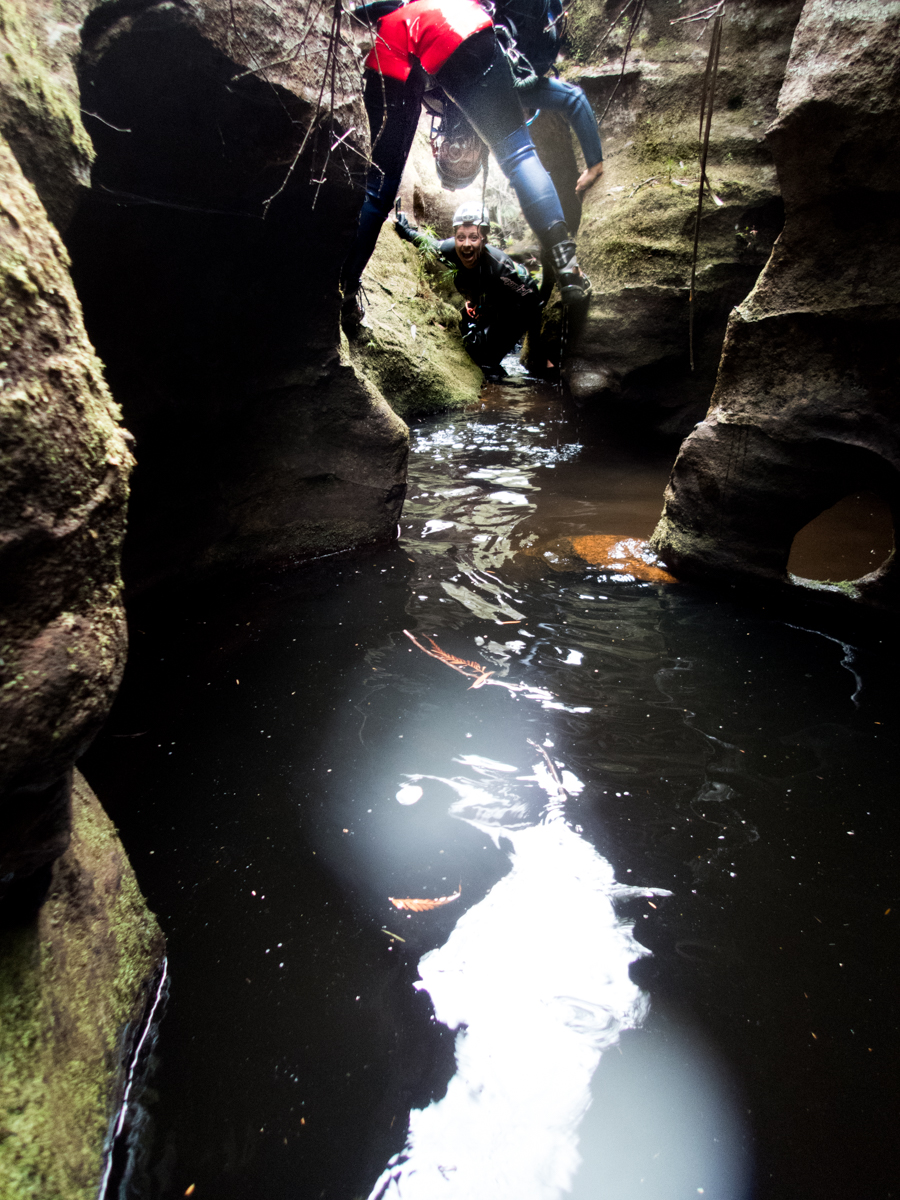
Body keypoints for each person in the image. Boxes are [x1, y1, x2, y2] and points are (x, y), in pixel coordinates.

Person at [341, 0, 590, 329]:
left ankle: (345, 290)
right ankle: (568, 268)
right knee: (518, 154)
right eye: (464, 237)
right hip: (460, 24)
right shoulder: (458, 250)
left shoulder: (497, 264)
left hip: (397, 33)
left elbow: (525, 292)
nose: (467, 243)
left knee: (378, 186)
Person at [395, 200, 541, 378]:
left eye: (473, 237)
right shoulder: (449, 249)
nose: (466, 244)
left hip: (516, 304)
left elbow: (532, 302)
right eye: (460, 237)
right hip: (487, 299)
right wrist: (406, 231)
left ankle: (496, 382)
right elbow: (429, 243)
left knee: (485, 362)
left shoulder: (501, 269)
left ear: (484, 239)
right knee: (467, 341)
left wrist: (536, 348)